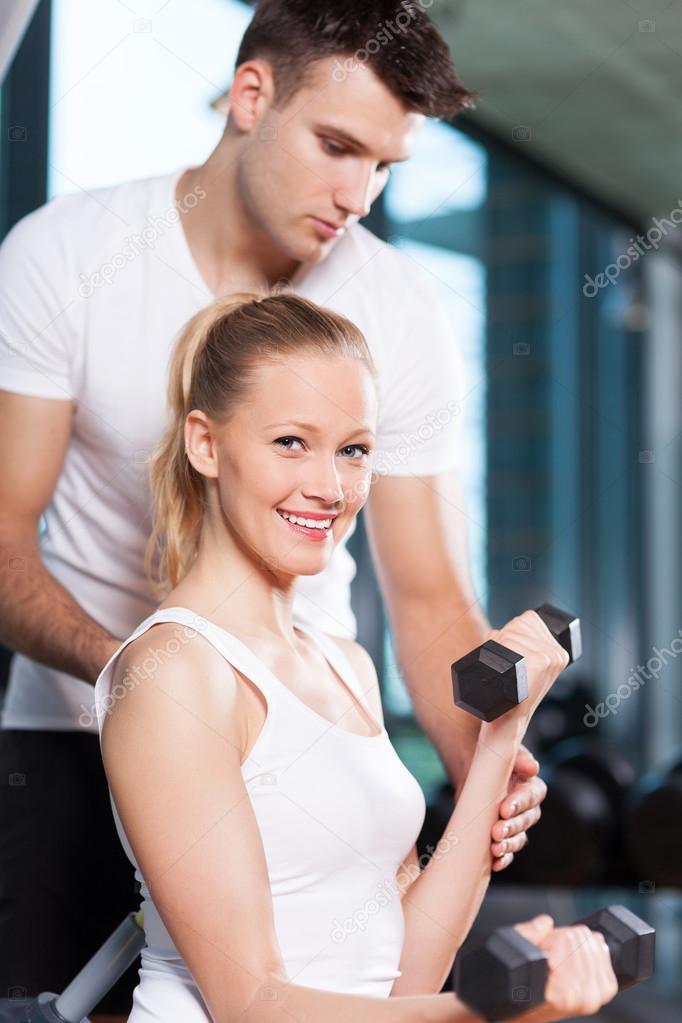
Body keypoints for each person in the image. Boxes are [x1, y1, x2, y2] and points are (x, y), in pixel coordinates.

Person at [0, 2, 545, 1015]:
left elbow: (427, 603)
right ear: (251, 94)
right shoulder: (68, 253)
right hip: (71, 734)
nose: (358, 194)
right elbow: (1, 539)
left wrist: (488, 767)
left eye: (384, 165)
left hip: (308, 729)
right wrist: (145, 677)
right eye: (337, 146)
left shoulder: (395, 311)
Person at [94, 290, 617, 1023]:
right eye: (290, 442)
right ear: (205, 444)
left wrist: (502, 736)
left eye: (354, 449)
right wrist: (489, 1006)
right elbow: (250, 1004)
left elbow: (400, 973)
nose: (330, 487)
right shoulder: (175, 672)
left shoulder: (347, 665)